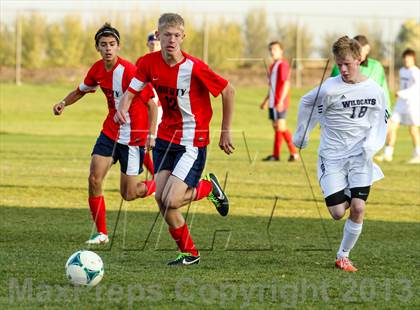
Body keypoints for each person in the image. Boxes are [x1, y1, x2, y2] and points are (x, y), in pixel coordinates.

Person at [114, 13, 235, 266]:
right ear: (157, 35)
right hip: (165, 140)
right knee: (161, 199)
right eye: (166, 35)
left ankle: (209, 189)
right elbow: (131, 91)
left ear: (183, 37)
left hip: (192, 140)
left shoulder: (194, 66)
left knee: (172, 199)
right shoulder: (147, 63)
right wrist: (122, 107)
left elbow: (228, 90)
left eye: (176, 35)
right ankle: (189, 254)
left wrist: (225, 131)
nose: (171, 40)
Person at [53, 23, 158, 244]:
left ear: (118, 46)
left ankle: (162, 184)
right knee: (94, 179)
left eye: (112, 44)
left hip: (133, 138)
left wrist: (151, 134)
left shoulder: (129, 71)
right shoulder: (97, 69)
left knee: (128, 194)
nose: (108, 48)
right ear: (97, 48)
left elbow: (151, 105)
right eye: (104, 45)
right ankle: (101, 234)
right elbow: (81, 90)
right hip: (110, 133)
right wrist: (63, 103)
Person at [293, 36, 387, 272]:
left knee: (358, 208)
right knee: (337, 213)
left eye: (347, 63)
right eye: (339, 64)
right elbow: (306, 102)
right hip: (332, 157)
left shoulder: (374, 89)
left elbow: (381, 120)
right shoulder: (329, 88)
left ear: (359, 59)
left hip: (359, 158)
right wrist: (302, 136)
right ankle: (349, 189)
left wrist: (372, 145)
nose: (343, 69)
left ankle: (343, 255)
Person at [375, 48, 420, 164]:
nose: (406, 60)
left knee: (413, 129)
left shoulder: (415, 72)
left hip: (412, 105)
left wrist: (401, 93)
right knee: (391, 126)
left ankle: (418, 154)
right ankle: (387, 154)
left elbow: (416, 89)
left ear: (413, 59)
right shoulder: (402, 71)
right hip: (401, 105)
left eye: (408, 58)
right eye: (405, 58)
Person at [260, 41, 299, 161]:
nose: (272, 52)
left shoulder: (283, 64)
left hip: (279, 102)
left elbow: (286, 83)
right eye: (271, 49)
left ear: (281, 51)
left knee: (281, 127)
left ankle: (294, 153)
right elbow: (271, 86)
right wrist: (266, 101)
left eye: (275, 49)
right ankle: (275, 155)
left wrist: (281, 100)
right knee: (276, 127)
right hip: (272, 102)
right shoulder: (272, 66)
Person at [330, 35, 391, 109]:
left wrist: (387, 112)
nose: (359, 53)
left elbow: (383, 90)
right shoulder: (338, 67)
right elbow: (331, 90)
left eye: (361, 50)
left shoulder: (376, 66)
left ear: (368, 49)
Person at [135, 31, 163, 177]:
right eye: (152, 43)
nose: (154, 46)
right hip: (146, 107)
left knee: (158, 143)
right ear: (147, 44)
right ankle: (156, 176)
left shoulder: (166, 60)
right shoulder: (142, 61)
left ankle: (159, 177)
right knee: (143, 143)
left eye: (157, 43)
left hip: (161, 109)